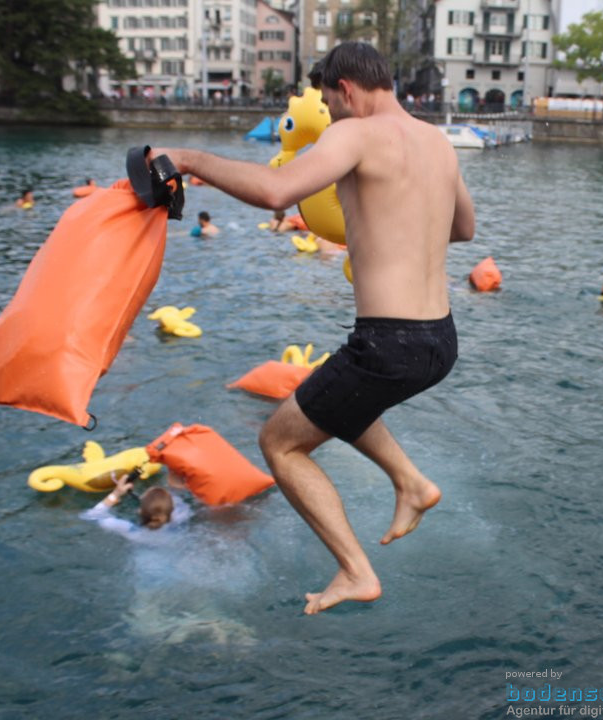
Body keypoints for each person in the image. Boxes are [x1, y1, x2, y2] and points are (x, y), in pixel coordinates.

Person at [150, 41, 475, 614]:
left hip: (389, 340)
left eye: (330, 102)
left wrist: (191, 160)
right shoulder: (436, 141)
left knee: (280, 441)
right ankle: (412, 484)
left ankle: (355, 571)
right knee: (334, 396)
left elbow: (277, 191)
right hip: (440, 339)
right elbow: (464, 228)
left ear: (345, 89)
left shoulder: (353, 133)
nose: (331, 113)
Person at [80, 472, 191, 540]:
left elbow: (90, 516)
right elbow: (176, 493)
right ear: (171, 509)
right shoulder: (183, 515)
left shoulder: (131, 531)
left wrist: (116, 493)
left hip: (144, 564)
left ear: (139, 511)